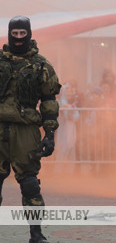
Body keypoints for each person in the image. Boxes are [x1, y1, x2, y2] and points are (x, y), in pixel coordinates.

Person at [0, 16, 62, 243]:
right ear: (9, 34)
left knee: (29, 184)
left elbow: (49, 101)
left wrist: (50, 134)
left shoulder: (41, 65)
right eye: (14, 33)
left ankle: (36, 234)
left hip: (26, 131)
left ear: (29, 34)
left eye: (22, 34)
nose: (18, 38)